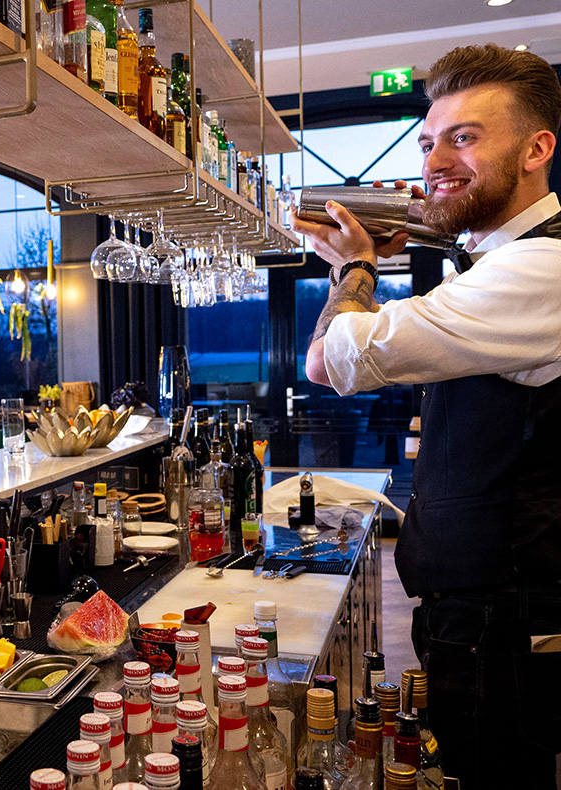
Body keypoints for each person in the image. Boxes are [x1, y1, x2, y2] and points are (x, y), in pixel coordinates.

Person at [294, 45, 561, 787]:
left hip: (505, 619)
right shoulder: (503, 259)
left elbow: (328, 362)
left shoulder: (539, 269)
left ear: (537, 149)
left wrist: (354, 266)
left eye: (464, 138)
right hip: (484, 613)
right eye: (427, 143)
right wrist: (432, 219)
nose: (435, 161)